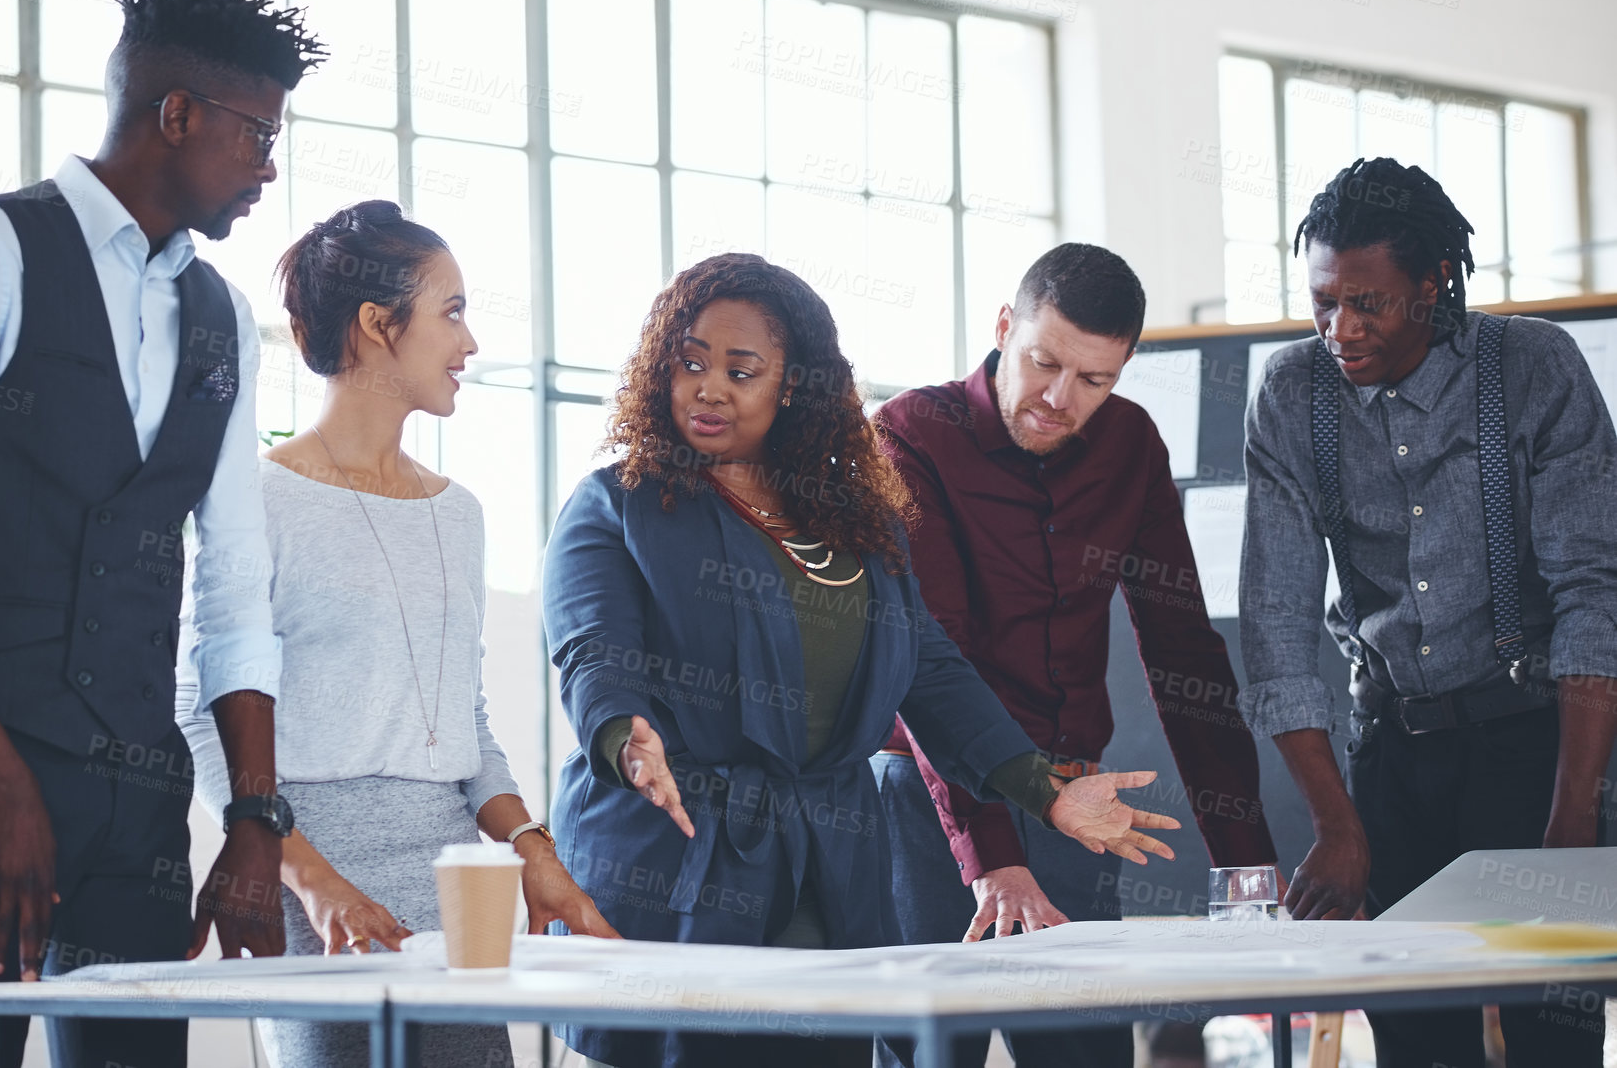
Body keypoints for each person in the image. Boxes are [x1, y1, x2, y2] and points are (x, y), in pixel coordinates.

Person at [543, 252, 1181, 1068]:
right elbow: (590, 648)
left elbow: (932, 668)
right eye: (690, 361)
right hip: (675, 856)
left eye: (741, 370)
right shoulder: (618, 501)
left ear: (793, 386)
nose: (708, 387)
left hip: (825, 858)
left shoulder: (853, 521)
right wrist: (621, 735)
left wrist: (1044, 792)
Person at [0, 0, 323, 1068]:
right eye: (258, 136)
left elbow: (233, 584)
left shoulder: (220, 316)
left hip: (135, 800)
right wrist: (6, 786)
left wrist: (254, 822)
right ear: (176, 115)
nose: (269, 169)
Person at [177, 200, 618, 1066]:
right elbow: (200, 717)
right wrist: (312, 879)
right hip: (316, 879)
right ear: (380, 325)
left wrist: (533, 851)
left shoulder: (459, 514)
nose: (470, 341)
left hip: (454, 884)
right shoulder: (259, 500)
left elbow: (467, 724)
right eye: (451, 311)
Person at [871, 243, 1317, 1068]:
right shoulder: (909, 435)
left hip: (1082, 806)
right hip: (933, 809)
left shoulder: (1130, 446)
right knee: (932, 1057)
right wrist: (994, 857)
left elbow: (1183, 647)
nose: (1057, 398)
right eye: (1043, 362)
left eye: (1093, 380)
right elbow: (930, 664)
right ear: (1004, 327)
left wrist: (1246, 868)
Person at [1241, 156, 1617, 1068]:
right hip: (1393, 753)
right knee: (1415, 1040)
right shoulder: (1292, 394)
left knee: (1551, 1038)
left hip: (1535, 744)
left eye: (1367, 302)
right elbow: (1275, 627)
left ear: (1432, 281)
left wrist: (1572, 817)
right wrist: (1336, 823)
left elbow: (1593, 593)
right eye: (1322, 301)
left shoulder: (1531, 368)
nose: (1341, 328)